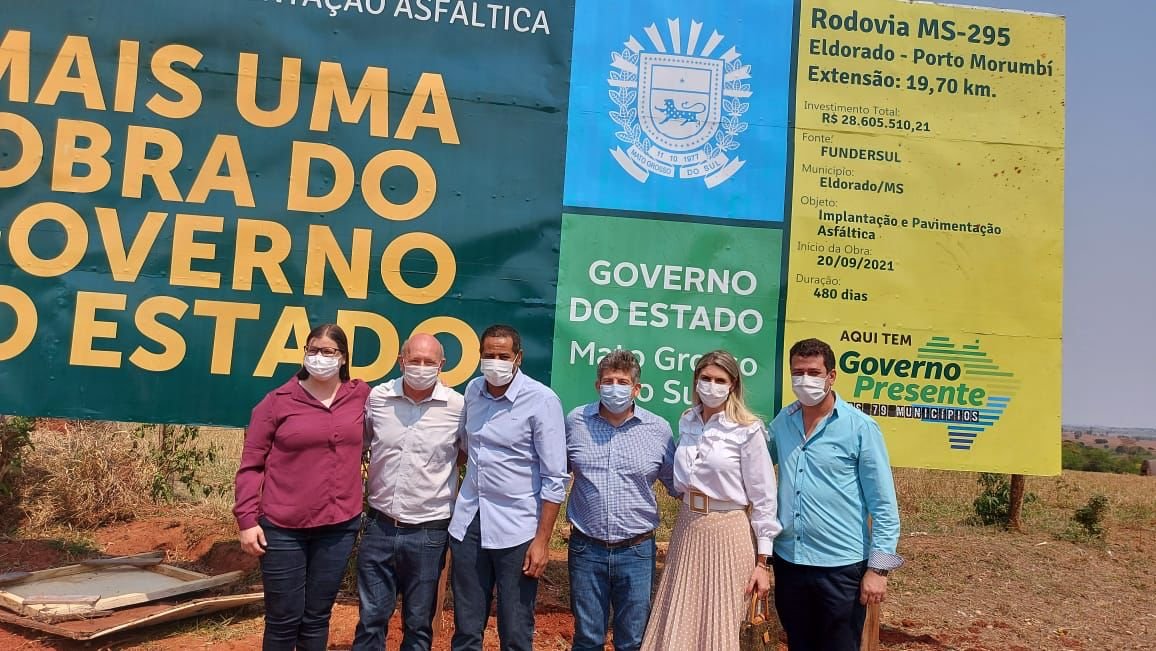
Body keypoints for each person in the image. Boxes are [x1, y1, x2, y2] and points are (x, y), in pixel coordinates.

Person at [234, 323, 369, 651]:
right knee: (283, 620)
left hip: (338, 527)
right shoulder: (276, 402)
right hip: (283, 529)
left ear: (343, 357)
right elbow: (251, 465)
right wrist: (246, 520)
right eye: (313, 350)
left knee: (317, 618)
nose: (319, 357)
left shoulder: (361, 396)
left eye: (328, 351)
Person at [769, 338, 903, 651]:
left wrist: (878, 570)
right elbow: (750, 462)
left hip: (841, 567)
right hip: (790, 562)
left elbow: (883, 504)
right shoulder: (783, 422)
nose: (805, 380)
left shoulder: (860, 428)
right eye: (798, 372)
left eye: (813, 372)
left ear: (831, 376)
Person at [641, 350, 780, 651]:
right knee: (682, 616)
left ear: (733, 385)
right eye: (706, 378)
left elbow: (764, 499)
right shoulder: (687, 421)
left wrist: (762, 563)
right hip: (688, 527)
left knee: (722, 621)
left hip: (728, 531)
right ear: (696, 381)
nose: (712, 385)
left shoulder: (747, 430)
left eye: (720, 380)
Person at [448, 324, 568, 651]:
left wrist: (542, 541)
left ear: (518, 358)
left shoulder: (542, 401)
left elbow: (555, 477)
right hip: (470, 523)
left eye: (503, 356)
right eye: (489, 355)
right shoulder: (473, 391)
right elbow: (464, 447)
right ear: (480, 356)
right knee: (466, 628)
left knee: (515, 631)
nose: (496, 362)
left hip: (518, 530)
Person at [352, 333, 465, 651]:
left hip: (429, 532)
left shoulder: (457, 406)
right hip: (380, 526)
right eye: (415, 360)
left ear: (442, 365)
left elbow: (462, 453)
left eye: (429, 362)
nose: (421, 367)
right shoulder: (379, 398)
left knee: (418, 624)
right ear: (401, 361)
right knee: (371, 618)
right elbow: (362, 443)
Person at [565, 350, 677, 651]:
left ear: (636, 389)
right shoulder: (576, 422)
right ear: (597, 385)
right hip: (586, 548)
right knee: (588, 638)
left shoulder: (658, 429)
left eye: (623, 382)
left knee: (633, 640)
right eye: (608, 381)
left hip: (636, 550)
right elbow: (555, 473)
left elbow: (677, 485)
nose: (615, 388)